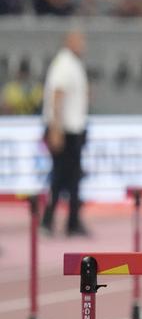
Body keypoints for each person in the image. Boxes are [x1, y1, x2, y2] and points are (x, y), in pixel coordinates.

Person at [40, 28, 90, 236]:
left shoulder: (74, 64)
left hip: (74, 128)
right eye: (80, 40)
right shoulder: (64, 64)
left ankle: (72, 221)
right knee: (60, 177)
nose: (83, 45)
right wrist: (56, 128)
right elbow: (57, 95)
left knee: (73, 178)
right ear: (69, 41)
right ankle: (48, 220)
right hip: (64, 130)